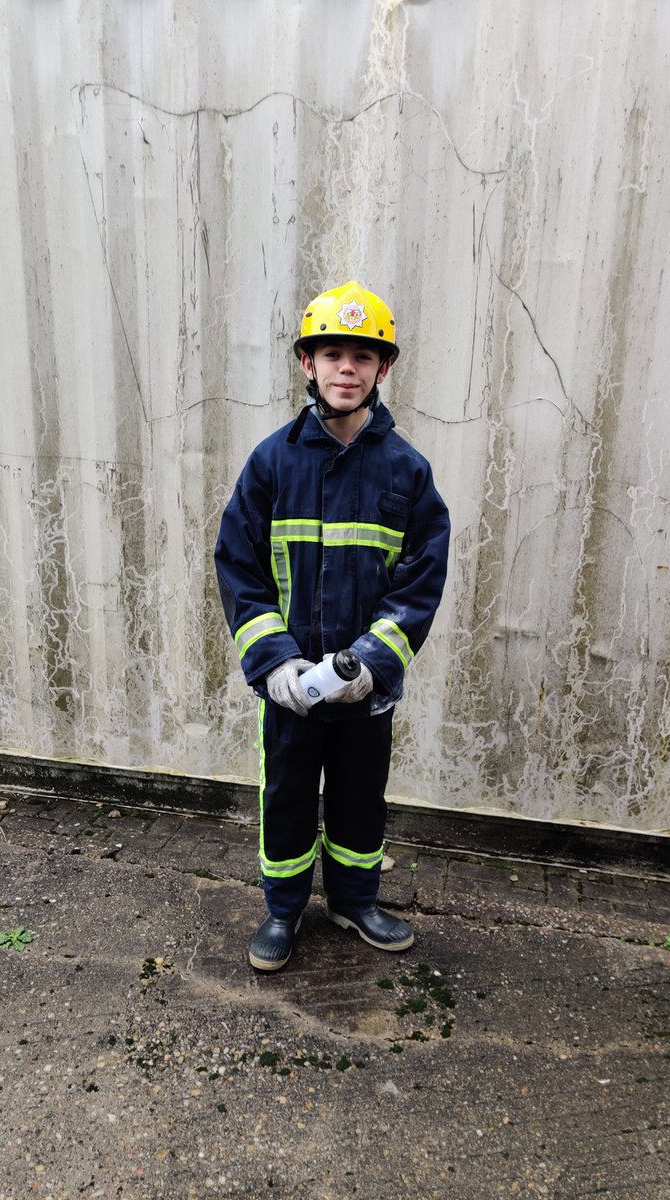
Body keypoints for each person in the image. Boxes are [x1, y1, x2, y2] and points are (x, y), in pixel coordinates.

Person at [214, 280, 450, 971]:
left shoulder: (406, 471)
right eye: (332, 354)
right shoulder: (271, 463)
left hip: (362, 689)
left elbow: (420, 579)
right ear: (306, 364)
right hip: (291, 690)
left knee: (359, 798)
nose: (347, 368)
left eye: (363, 356)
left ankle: (354, 901)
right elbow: (239, 566)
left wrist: (374, 661)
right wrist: (275, 662)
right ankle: (283, 911)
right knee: (286, 796)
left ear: (384, 369)